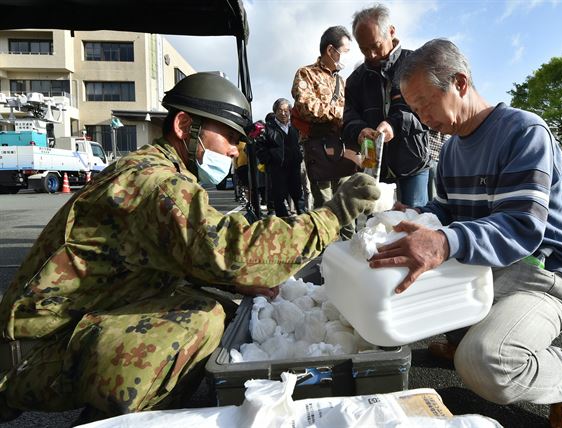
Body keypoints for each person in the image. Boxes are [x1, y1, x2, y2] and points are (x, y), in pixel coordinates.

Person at [0, 72, 380, 422]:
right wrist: (332, 215)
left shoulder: (154, 170)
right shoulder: (158, 184)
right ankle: (111, 422)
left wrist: (235, 282)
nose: (235, 151)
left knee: (218, 305)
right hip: (36, 354)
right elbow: (237, 253)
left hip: (60, 331)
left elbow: (191, 252)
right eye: (229, 137)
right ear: (185, 125)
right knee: (202, 320)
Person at [370, 39, 562, 427]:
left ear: (459, 82)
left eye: (425, 104)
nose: (422, 117)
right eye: (415, 109)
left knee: (484, 362)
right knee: (404, 300)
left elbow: (521, 226)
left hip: (544, 276)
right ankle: (464, 333)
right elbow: (447, 211)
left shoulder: (525, 132)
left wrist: (442, 240)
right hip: (492, 271)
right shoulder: (452, 150)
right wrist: (415, 215)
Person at [343, 4, 443, 207]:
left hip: (412, 160)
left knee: (414, 221)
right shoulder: (355, 80)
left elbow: (425, 111)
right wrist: (360, 131)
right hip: (373, 164)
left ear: (391, 32)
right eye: (364, 49)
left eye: (375, 46)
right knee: (374, 226)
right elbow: (348, 118)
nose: (370, 54)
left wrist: (393, 124)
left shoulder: (415, 65)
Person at [291, 25, 359, 239]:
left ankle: (350, 247)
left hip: (342, 146)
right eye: (344, 51)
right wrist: (340, 113)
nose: (346, 56)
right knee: (325, 203)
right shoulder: (306, 73)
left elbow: (351, 111)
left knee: (347, 200)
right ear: (331, 50)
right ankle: (327, 254)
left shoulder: (342, 80)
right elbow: (306, 106)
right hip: (318, 146)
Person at [256, 98, 305, 217]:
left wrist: (300, 156)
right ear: (275, 111)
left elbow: (303, 143)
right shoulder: (267, 128)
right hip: (277, 168)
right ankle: (283, 222)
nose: (283, 113)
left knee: (298, 195)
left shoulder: (296, 126)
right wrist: (270, 160)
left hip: (294, 167)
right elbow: (259, 147)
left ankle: (304, 220)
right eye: (280, 110)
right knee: (279, 197)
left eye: (286, 110)